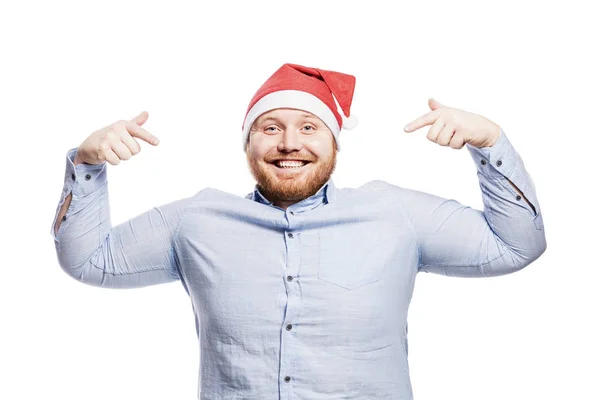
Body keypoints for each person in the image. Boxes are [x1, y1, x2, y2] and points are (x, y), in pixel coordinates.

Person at [50, 63, 547, 399]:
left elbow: (517, 245)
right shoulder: (196, 221)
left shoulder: (394, 214)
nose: (289, 143)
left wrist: (491, 143)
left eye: (309, 127)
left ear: (334, 141)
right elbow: (89, 260)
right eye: (270, 128)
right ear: (248, 144)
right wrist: (88, 163)